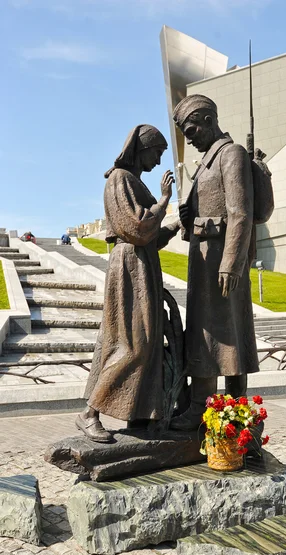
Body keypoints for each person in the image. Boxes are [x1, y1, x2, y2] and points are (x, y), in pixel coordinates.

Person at [75, 124, 177, 442]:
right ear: (142, 149)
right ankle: (89, 413)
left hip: (141, 263)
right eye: (157, 153)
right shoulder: (120, 179)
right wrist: (163, 200)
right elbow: (136, 228)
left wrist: (174, 225)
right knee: (134, 345)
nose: (159, 162)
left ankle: (138, 415)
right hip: (130, 268)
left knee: (144, 344)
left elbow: (149, 236)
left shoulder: (134, 182)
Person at [170, 94, 259, 431]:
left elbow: (241, 212)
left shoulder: (230, 154)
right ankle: (206, 407)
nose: (189, 138)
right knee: (205, 334)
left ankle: (230, 411)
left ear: (208, 121)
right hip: (205, 261)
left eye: (191, 129)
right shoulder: (208, 160)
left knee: (230, 335)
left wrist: (232, 263)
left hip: (222, 262)